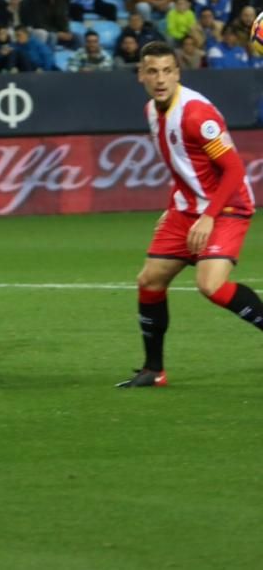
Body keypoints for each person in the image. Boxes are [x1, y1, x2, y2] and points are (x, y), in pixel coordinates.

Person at [117, 41, 263, 388]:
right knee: (149, 281)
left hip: (227, 206)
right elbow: (183, 167)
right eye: (152, 71)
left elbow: (232, 170)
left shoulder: (197, 114)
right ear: (141, 75)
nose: (161, 79)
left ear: (178, 73)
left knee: (210, 285)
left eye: (168, 70)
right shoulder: (151, 111)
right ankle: (154, 371)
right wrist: (174, 207)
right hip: (187, 208)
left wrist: (210, 216)